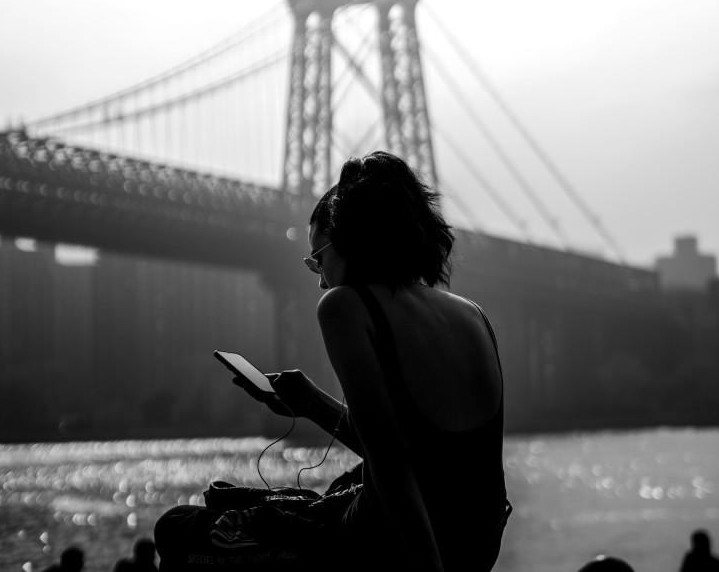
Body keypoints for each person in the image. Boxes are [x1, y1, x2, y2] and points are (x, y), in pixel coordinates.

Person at [155, 151, 511, 571]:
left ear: (348, 241)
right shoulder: (472, 313)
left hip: (391, 543)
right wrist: (313, 405)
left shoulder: (345, 305)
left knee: (178, 526)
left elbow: (391, 463)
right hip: (479, 542)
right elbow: (430, 463)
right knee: (293, 497)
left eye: (318, 259)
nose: (321, 278)